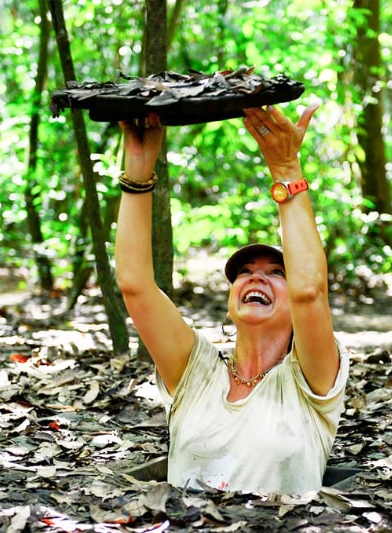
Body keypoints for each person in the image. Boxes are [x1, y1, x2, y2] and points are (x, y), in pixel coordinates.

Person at [114, 103, 349, 494]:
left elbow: (310, 291)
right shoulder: (195, 373)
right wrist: (138, 172)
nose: (257, 276)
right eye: (245, 272)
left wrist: (287, 170)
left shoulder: (311, 380)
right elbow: (135, 284)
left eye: (277, 273)